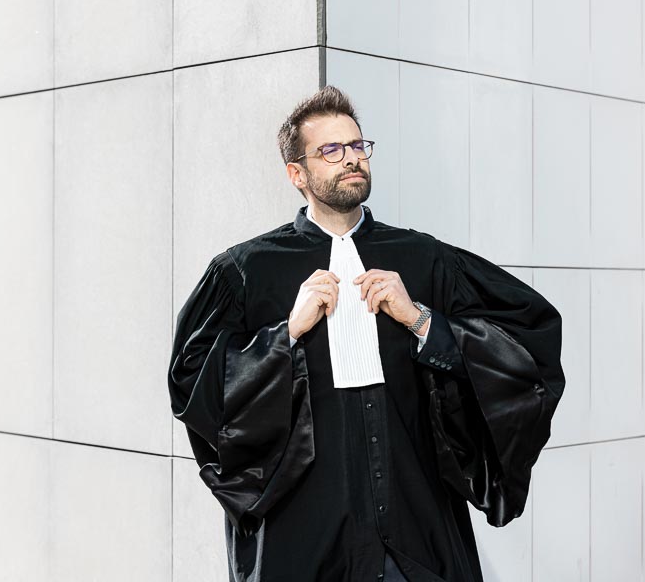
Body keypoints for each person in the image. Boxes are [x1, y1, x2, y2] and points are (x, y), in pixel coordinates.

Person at [168, 86, 565, 582]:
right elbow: (192, 384)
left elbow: (529, 337)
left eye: (357, 146)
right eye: (331, 150)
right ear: (297, 173)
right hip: (303, 538)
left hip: (416, 531)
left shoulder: (423, 258)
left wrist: (423, 320)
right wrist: (285, 333)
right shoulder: (245, 272)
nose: (351, 159)